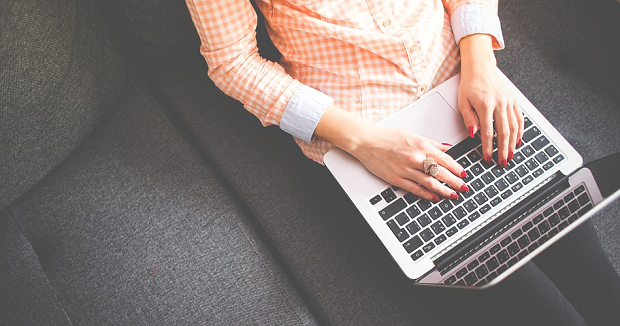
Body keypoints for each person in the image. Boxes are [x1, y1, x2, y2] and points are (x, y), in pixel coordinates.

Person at [185, 1, 620, 325]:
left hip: (465, 88)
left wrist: (481, 62)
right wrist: (366, 141)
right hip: (371, 139)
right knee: (540, 310)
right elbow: (233, 62)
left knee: (595, 278)